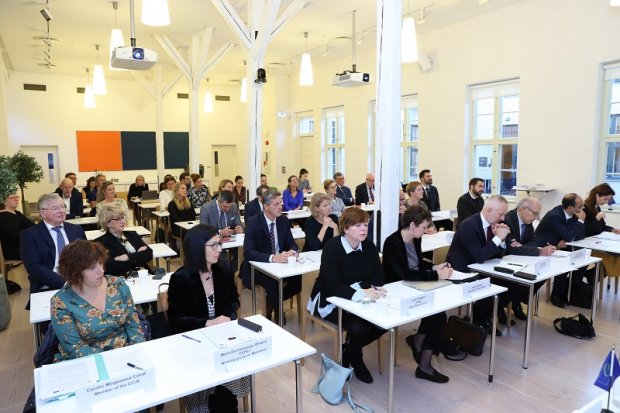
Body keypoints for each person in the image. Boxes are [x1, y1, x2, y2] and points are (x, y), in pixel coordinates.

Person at [167, 224, 249, 412]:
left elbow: (234, 300)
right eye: (213, 245)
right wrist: (209, 323)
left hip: (222, 338)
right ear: (197, 248)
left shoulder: (223, 269)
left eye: (219, 244)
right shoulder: (181, 278)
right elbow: (177, 321)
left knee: (225, 397)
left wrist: (227, 317)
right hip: (194, 343)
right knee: (217, 400)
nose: (219, 249)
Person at [308, 207, 386, 383]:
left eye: (365, 224)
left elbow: (379, 277)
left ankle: (348, 351)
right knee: (357, 328)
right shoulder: (332, 247)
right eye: (358, 225)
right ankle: (357, 359)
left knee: (385, 323)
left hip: (357, 297)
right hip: (329, 300)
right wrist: (362, 291)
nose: (363, 229)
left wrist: (360, 289)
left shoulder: (368, 245)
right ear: (346, 228)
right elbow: (333, 286)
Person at [382, 205, 452, 383]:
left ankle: (420, 342)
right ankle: (424, 363)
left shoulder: (416, 238)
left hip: (413, 285)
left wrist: (434, 267)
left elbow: (418, 264)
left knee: (438, 313)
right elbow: (404, 274)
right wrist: (436, 275)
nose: (426, 230)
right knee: (437, 315)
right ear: (412, 225)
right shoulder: (392, 242)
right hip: (396, 290)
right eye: (424, 227)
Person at [50, 240, 145, 362]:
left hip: (124, 353)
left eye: (100, 263)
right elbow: (75, 348)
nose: (101, 270)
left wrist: (139, 351)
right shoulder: (60, 302)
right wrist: (112, 361)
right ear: (74, 272)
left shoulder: (118, 285)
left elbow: (133, 326)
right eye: (92, 268)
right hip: (86, 360)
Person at [446, 195, 510, 334]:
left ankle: (487, 315)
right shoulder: (468, 225)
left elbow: (497, 255)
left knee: (510, 284)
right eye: (501, 214)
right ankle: (480, 319)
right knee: (495, 285)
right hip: (461, 269)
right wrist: (498, 237)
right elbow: (480, 256)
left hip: (481, 266)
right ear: (488, 211)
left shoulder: (492, 224)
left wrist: (502, 240)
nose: (503, 218)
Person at [241, 189, 301, 322]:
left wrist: (293, 251)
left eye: (281, 203)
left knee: (299, 280)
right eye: (276, 204)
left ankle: (271, 304)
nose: (281, 207)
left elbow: (292, 243)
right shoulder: (253, 223)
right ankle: (277, 314)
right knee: (274, 283)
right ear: (266, 207)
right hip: (258, 267)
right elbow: (248, 252)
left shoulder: (283, 220)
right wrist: (273, 258)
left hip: (281, 265)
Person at [21, 193, 86, 306]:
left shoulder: (76, 229)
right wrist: (65, 283)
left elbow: (88, 257)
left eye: (63, 206)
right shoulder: (30, 235)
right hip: (48, 284)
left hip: (80, 281)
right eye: (56, 208)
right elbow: (33, 267)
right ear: (43, 213)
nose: (61, 211)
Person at [501, 198, 556, 323]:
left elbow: (534, 241)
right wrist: (540, 251)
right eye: (535, 213)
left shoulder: (527, 220)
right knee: (520, 280)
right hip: (503, 261)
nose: (536, 218)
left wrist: (521, 246)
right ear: (523, 209)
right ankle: (502, 308)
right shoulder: (507, 219)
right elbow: (511, 249)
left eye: (537, 214)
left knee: (542, 274)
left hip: (521, 260)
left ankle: (516, 301)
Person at [535, 193, 586, 307]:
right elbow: (570, 236)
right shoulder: (554, 215)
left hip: (556, 247)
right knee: (563, 263)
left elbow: (581, 234)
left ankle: (564, 292)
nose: (582, 209)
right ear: (571, 208)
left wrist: (565, 237)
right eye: (580, 206)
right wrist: (580, 221)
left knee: (575, 260)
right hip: (541, 248)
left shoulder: (572, 214)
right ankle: (556, 295)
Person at [95, 205, 153, 276]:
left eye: (122, 218)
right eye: (118, 219)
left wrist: (126, 257)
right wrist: (138, 256)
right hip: (123, 278)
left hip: (144, 274)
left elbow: (149, 254)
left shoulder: (132, 234)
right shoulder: (100, 243)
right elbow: (112, 267)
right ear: (108, 223)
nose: (122, 221)